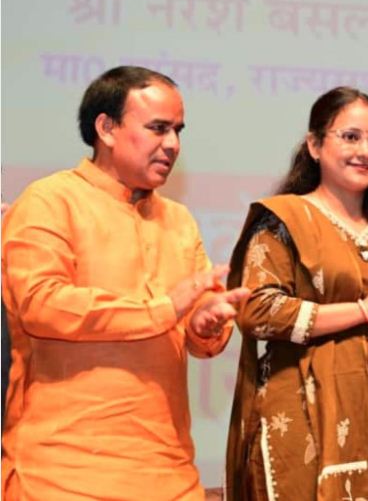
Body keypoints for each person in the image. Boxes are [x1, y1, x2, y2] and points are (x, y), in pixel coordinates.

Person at [0, 66, 250, 500]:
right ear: (106, 128)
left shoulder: (178, 220)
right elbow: (42, 306)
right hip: (62, 472)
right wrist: (163, 309)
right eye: (158, 128)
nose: (172, 144)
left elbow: (196, 328)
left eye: (178, 131)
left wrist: (205, 325)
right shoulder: (49, 200)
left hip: (170, 472)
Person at [225, 86, 368, 500]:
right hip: (301, 419)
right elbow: (257, 310)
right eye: (350, 137)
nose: (365, 150)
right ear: (314, 145)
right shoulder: (284, 218)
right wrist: (365, 307)